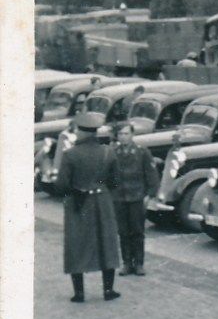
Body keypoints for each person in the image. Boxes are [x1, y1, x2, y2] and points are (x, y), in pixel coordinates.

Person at [56, 112, 122, 302]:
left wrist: (76, 189)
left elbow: (61, 185)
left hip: (78, 204)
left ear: (81, 132)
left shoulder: (70, 154)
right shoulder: (108, 152)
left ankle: (79, 293)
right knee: (106, 243)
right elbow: (115, 182)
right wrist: (100, 185)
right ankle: (108, 290)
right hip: (102, 201)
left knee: (76, 244)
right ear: (95, 132)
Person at [109, 122, 160, 276]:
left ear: (132, 135)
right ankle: (126, 263)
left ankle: (139, 263)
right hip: (119, 198)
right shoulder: (113, 152)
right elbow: (108, 175)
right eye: (120, 134)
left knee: (137, 231)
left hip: (137, 197)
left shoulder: (142, 152)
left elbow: (151, 174)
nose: (123, 137)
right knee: (123, 232)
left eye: (126, 133)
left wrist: (150, 195)